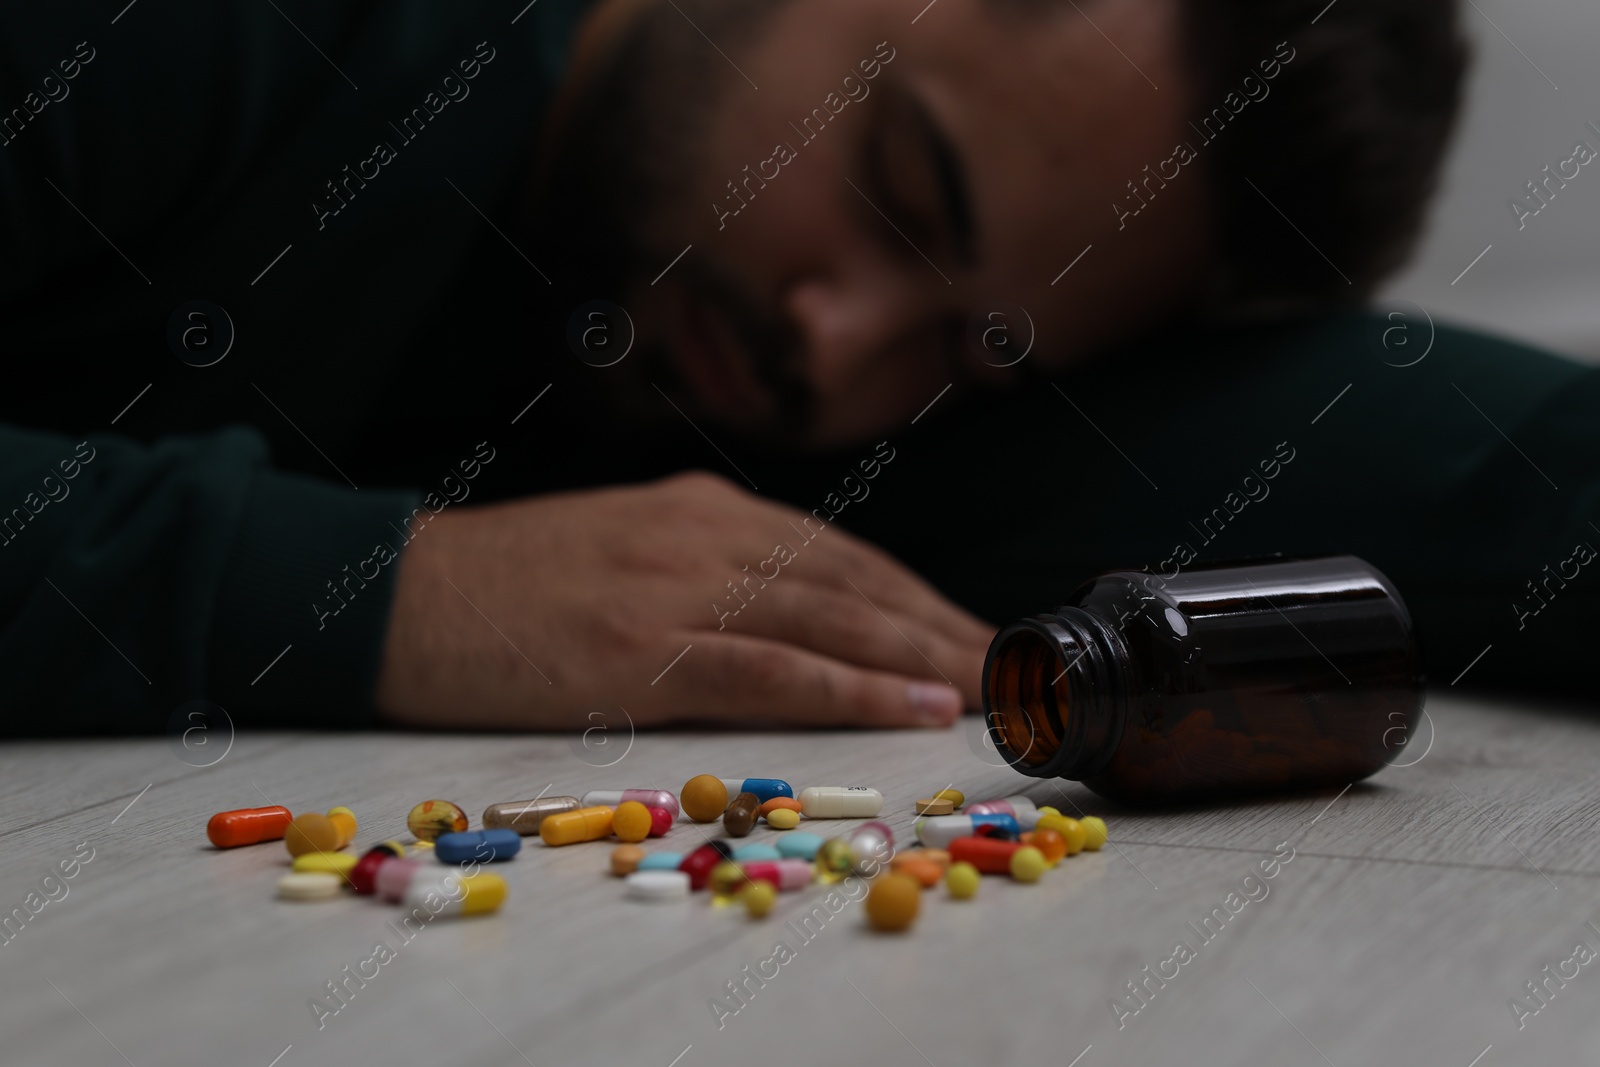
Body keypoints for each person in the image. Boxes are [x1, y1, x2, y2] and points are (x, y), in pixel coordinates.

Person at [1, 0, 1590, 739]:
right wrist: (385, 590)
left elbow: (1467, 457)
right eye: (901, 183)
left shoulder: (877, 413)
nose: (838, 351)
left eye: (980, 344)